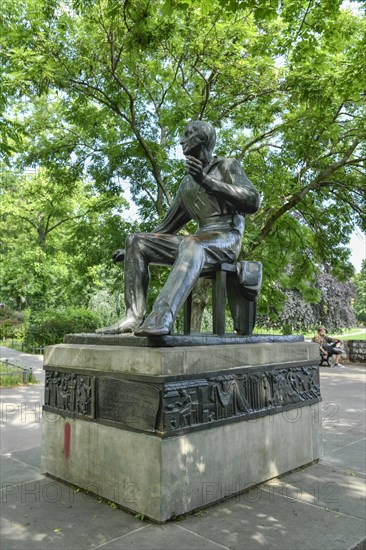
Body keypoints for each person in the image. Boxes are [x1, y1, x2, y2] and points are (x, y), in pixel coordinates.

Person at [97, 120, 261, 336]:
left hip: (226, 237)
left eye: (187, 134)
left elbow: (252, 200)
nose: (182, 140)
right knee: (136, 240)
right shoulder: (186, 184)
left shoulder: (226, 166)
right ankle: (133, 317)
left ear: (202, 138)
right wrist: (130, 250)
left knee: (191, 243)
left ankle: (161, 316)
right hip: (198, 240)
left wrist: (207, 182)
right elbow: (166, 228)